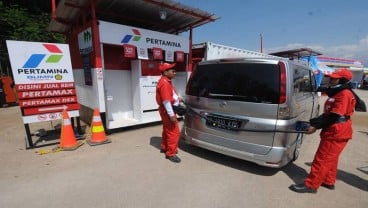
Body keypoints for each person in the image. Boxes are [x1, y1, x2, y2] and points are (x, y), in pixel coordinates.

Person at [289, 68, 356, 193]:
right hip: (335, 129)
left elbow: (334, 116)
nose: (330, 79)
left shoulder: (344, 94)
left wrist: (315, 127)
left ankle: (311, 185)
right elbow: (329, 112)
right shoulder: (338, 91)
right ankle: (328, 181)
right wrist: (314, 121)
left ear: (341, 80)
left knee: (322, 159)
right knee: (331, 158)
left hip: (336, 131)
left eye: (333, 78)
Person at [156, 62, 181, 163]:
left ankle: (165, 147)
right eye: (173, 70)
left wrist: (179, 99)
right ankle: (171, 153)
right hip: (167, 111)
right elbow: (166, 101)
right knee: (174, 132)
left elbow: (171, 96)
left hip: (166, 110)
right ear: (165, 72)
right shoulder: (165, 83)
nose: (175, 72)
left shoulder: (166, 81)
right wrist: (171, 115)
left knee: (167, 130)